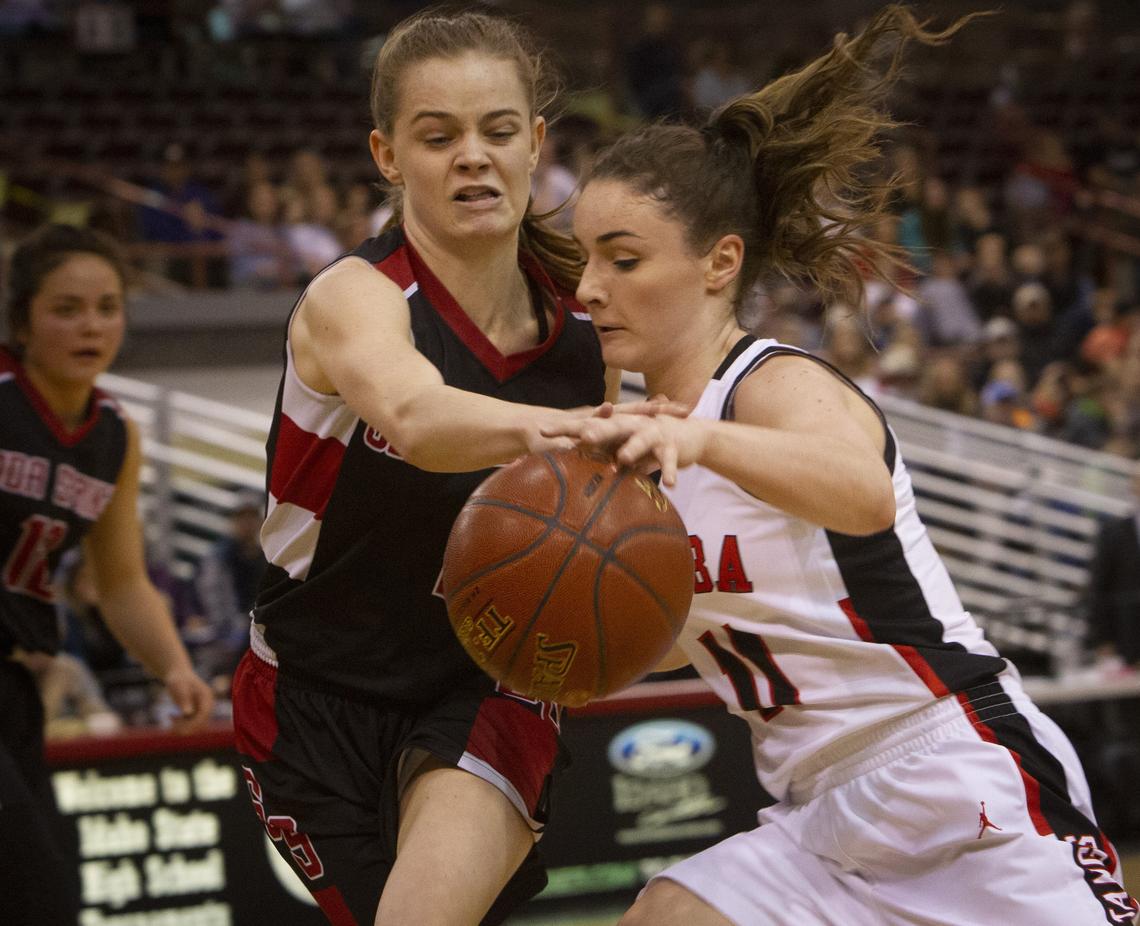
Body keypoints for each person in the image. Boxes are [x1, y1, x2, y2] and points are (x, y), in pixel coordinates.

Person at [548, 7, 1139, 924]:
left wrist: (699, 439)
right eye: (584, 259)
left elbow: (861, 495)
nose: (589, 287)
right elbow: (675, 639)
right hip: (817, 812)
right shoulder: (640, 451)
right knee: (667, 913)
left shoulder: (771, 384)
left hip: (950, 769)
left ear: (720, 263)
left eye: (622, 259)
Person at [229, 10, 619, 926]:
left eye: (498, 132)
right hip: (311, 697)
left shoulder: (584, 328)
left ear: (537, 144)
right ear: (389, 155)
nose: (472, 157)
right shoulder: (354, 296)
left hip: (486, 683)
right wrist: (575, 430)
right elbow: (415, 417)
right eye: (439, 137)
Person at [0, 223, 215, 925]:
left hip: (16, 684)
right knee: (38, 894)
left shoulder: (115, 435)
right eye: (66, 309)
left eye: (107, 307)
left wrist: (173, 666)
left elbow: (121, 582)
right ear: (22, 323)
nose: (91, 325)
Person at [189, 488, 267, 688]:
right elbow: (213, 604)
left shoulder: (266, 558)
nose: (247, 523)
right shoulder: (218, 558)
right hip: (224, 633)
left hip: (254, 630)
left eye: (252, 516)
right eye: (242, 517)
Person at [1085, 463, 1140, 670]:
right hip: (1127, 641)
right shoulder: (1113, 531)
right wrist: (1103, 639)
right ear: (1133, 486)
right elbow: (1098, 586)